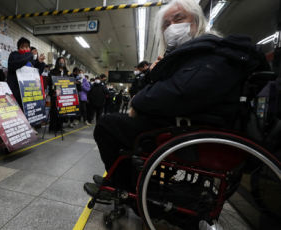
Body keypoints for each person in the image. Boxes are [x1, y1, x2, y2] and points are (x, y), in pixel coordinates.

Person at [84, 0, 268, 197]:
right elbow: (150, 88)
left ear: (197, 21)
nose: (172, 27)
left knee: (107, 125)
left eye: (178, 19)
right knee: (119, 125)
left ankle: (125, 187)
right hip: (185, 125)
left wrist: (138, 100)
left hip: (189, 132)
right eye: (166, 24)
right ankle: (121, 178)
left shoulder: (211, 54)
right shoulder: (190, 57)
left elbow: (178, 92)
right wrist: (151, 74)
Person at [7, 37, 43, 109]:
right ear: (18, 48)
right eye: (22, 47)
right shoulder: (14, 55)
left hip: (28, 92)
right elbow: (19, 61)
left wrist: (39, 63)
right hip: (15, 92)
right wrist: (30, 54)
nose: (25, 49)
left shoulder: (30, 59)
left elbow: (38, 74)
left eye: (27, 47)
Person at [47, 57, 69, 132]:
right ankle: (53, 127)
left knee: (62, 111)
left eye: (63, 61)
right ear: (57, 62)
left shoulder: (66, 72)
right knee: (54, 110)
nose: (62, 62)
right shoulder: (53, 71)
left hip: (63, 94)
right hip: (55, 94)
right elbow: (50, 81)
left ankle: (60, 126)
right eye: (60, 61)